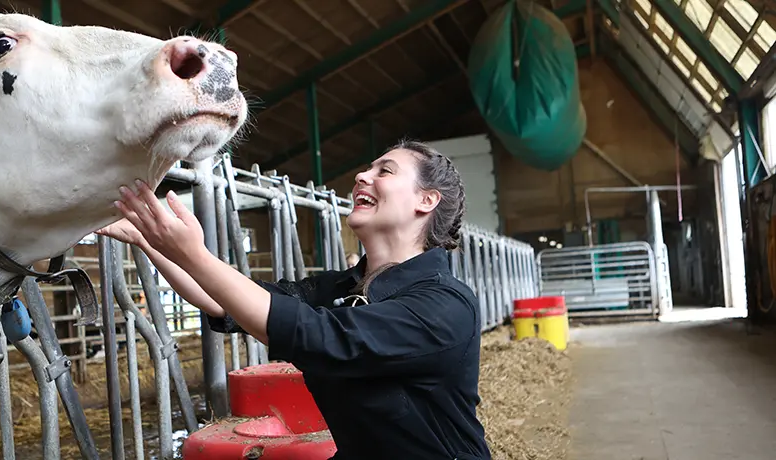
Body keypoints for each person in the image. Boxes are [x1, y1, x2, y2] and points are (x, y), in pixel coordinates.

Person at [96, 139, 491, 459]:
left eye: (383, 171)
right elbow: (226, 303)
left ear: (427, 201)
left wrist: (196, 255)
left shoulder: (444, 304)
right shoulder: (341, 289)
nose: (361, 176)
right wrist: (153, 241)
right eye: (367, 168)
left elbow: (319, 336)